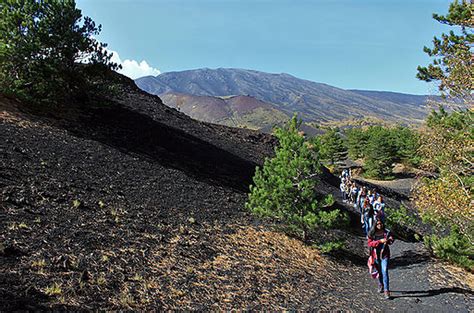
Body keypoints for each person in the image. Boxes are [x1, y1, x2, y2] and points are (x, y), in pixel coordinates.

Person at [368, 219, 394, 299]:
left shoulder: (386, 232)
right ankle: (381, 284)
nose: (380, 225)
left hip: (384, 254)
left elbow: (391, 240)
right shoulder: (372, 233)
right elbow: (369, 243)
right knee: (379, 271)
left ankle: (386, 290)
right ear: (375, 225)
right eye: (378, 224)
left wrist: (389, 240)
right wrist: (379, 241)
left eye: (381, 223)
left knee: (384, 270)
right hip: (375, 255)